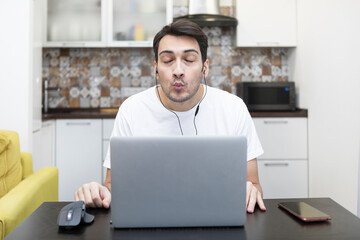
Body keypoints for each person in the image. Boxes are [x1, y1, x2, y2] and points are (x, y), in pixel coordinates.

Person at [75, 19, 266, 213]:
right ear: (156, 69)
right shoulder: (131, 110)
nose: (178, 71)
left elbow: (253, 184)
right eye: (167, 61)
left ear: (205, 67)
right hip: (148, 218)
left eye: (189, 60)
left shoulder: (233, 108)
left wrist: (250, 191)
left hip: (217, 218)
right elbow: (112, 186)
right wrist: (99, 192)